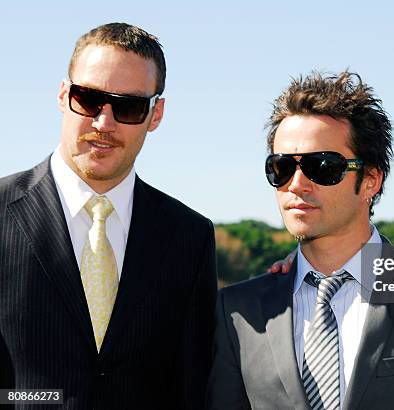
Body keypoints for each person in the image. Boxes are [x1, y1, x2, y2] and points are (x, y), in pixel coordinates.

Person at [206, 71, 394, 409]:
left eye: (322, 166)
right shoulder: (238, 312)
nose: (297, 184)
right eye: (281, 167)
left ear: (370, 180)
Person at [0, 23, 217, 409]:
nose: (104, 122)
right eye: (89, 99)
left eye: (129, 106)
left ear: (156, 114)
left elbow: (192, 385)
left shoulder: (191, 235)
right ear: (64, 95)